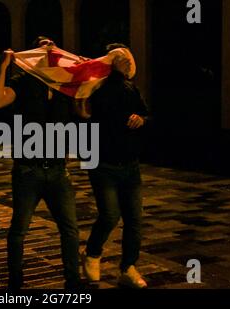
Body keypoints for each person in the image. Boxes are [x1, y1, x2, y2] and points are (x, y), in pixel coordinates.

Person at [0, 36, 82, 290]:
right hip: (28, 169)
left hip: (58, 170)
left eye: (51, 45)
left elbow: (84, 112)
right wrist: (3, 67)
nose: (48, 49)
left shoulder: (64, 85)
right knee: (19, 229)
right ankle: (16, 282)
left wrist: (85, 80)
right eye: (42, 47)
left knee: (70, 230)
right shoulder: (24, 82)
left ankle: (73, 282)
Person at [81, 43, 150, 289]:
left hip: (130, 165)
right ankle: (92, 253)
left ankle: (128, 268)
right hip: (103, 163)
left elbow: (145, 113)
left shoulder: (132, 89)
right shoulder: (98, 89)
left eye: (129, 59)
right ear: (111, 63)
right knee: (110, 214)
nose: (129, 63)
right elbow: (84, 112)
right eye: (122, 59)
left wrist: (141, 119)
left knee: (134, 219)